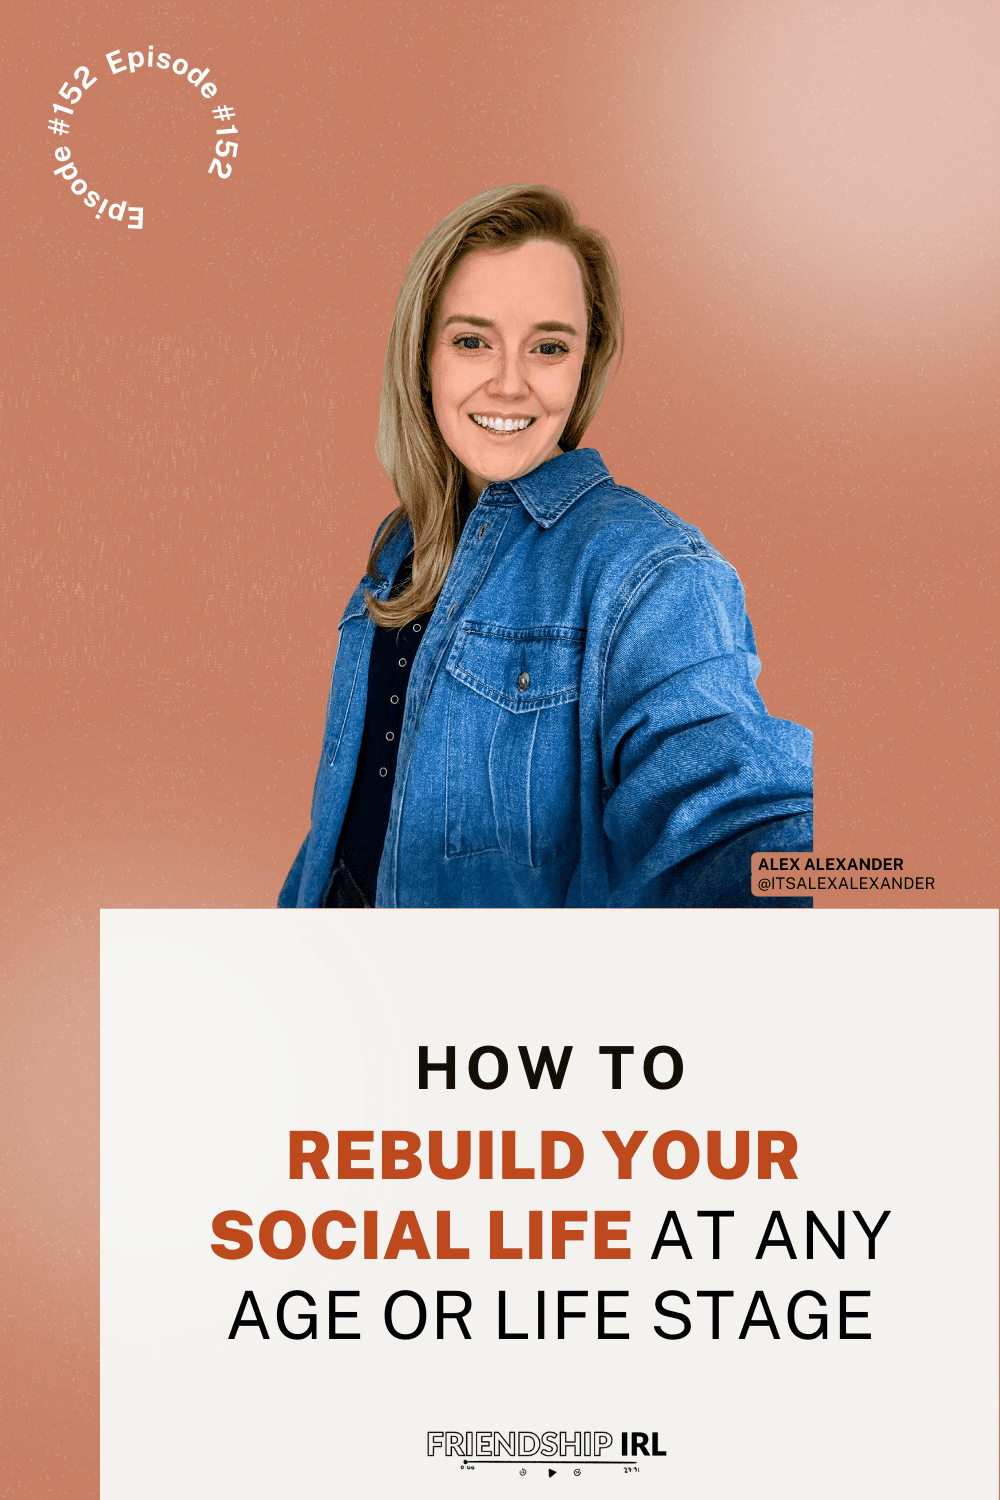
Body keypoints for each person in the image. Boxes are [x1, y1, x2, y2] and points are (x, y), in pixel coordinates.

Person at [279, 184, 812, 909]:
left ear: (584, 364)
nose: (508, 383)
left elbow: (733, 814)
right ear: (422, 357)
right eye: (472, 341)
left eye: (548, 347)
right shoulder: (401, 548)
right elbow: (348, 828)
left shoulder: (648, 572)